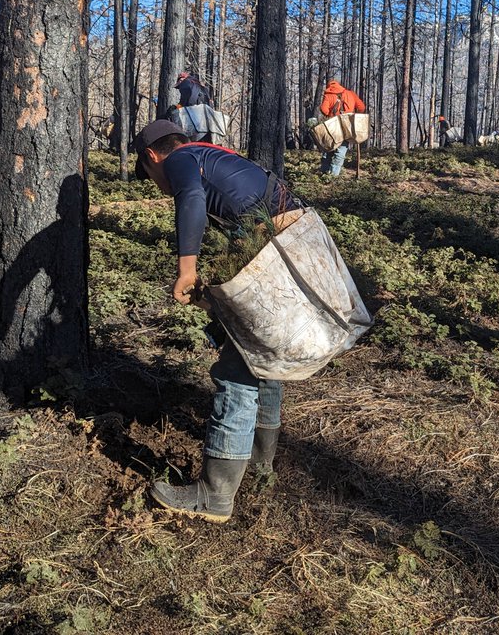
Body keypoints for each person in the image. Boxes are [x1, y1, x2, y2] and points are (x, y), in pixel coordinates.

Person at [133, 119, 302, 523]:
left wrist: (187, 269)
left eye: (148, 173)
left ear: (153, 156)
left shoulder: (181, 160)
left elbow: (190, 199)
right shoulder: (214, 157)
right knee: (263, 356)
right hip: (294, 240)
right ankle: (260, 468)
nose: (156, 182)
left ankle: (214, 495)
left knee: (236, 369)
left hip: (275, 244)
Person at [318, 76, 366, 176]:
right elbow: (361, 107)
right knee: (341, 150)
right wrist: (353, 113)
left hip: (332, 125)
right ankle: (334, 175)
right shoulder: (350, 93)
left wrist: (329, 113)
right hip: (347, 125)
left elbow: (323, 109)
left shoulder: (328, 95)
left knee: (329, 148)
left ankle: (324, 172)